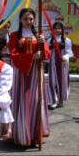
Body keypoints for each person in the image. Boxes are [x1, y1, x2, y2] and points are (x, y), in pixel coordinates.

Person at [8, 8, 51, 147]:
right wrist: (31, 56)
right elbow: (13, 55)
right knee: (22, 99)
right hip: (21, 72)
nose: (28, 21)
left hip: (36, 72)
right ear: (20, 19)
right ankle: (21, 133)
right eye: (26, 19)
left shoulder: (39, 35)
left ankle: (34, 133)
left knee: (35, 100)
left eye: (31, 19)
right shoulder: (14, 36)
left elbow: (46, 53)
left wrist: (42, 45)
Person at [46, 22, 73, 110]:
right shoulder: (49, 40)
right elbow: (47, 52)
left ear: (62, 30)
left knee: (62, 82)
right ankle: (53, 101)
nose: (57, 30)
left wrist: (65, 57)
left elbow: (69, 53)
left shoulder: (67, 40)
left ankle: (60, 100)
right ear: (52, 30)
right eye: (55, 28)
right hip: (53, 64)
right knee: (52, 82)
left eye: (59, 28)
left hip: (62, 65)